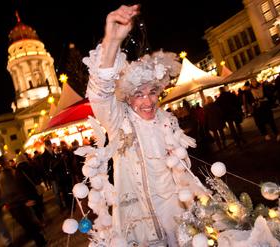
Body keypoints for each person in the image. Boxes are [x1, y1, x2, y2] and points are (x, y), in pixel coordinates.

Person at [82, 4, 207, 246]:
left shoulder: (167, 121)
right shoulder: (119, 121)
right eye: (139, 94)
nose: (148, 101)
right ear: (128, 97)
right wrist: (111, 41)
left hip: (176, 214)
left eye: (152, 92)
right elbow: (99, 93)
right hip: (138, 223)